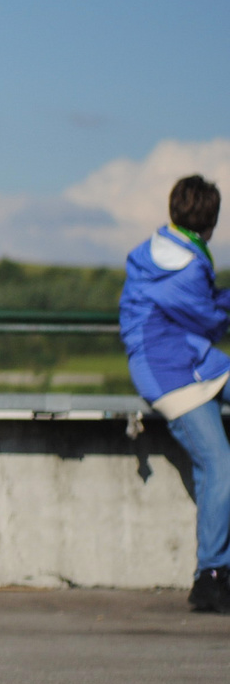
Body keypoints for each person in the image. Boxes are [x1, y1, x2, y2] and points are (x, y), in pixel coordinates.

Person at [120, 174, 230, 613]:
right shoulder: (186, 266)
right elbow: (209, 319)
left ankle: (215, 570)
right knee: (219, 463)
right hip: (171, 373)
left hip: (185, 362)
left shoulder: (162, 252)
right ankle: (213, 576)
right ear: (213, 222)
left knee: (213, 469)